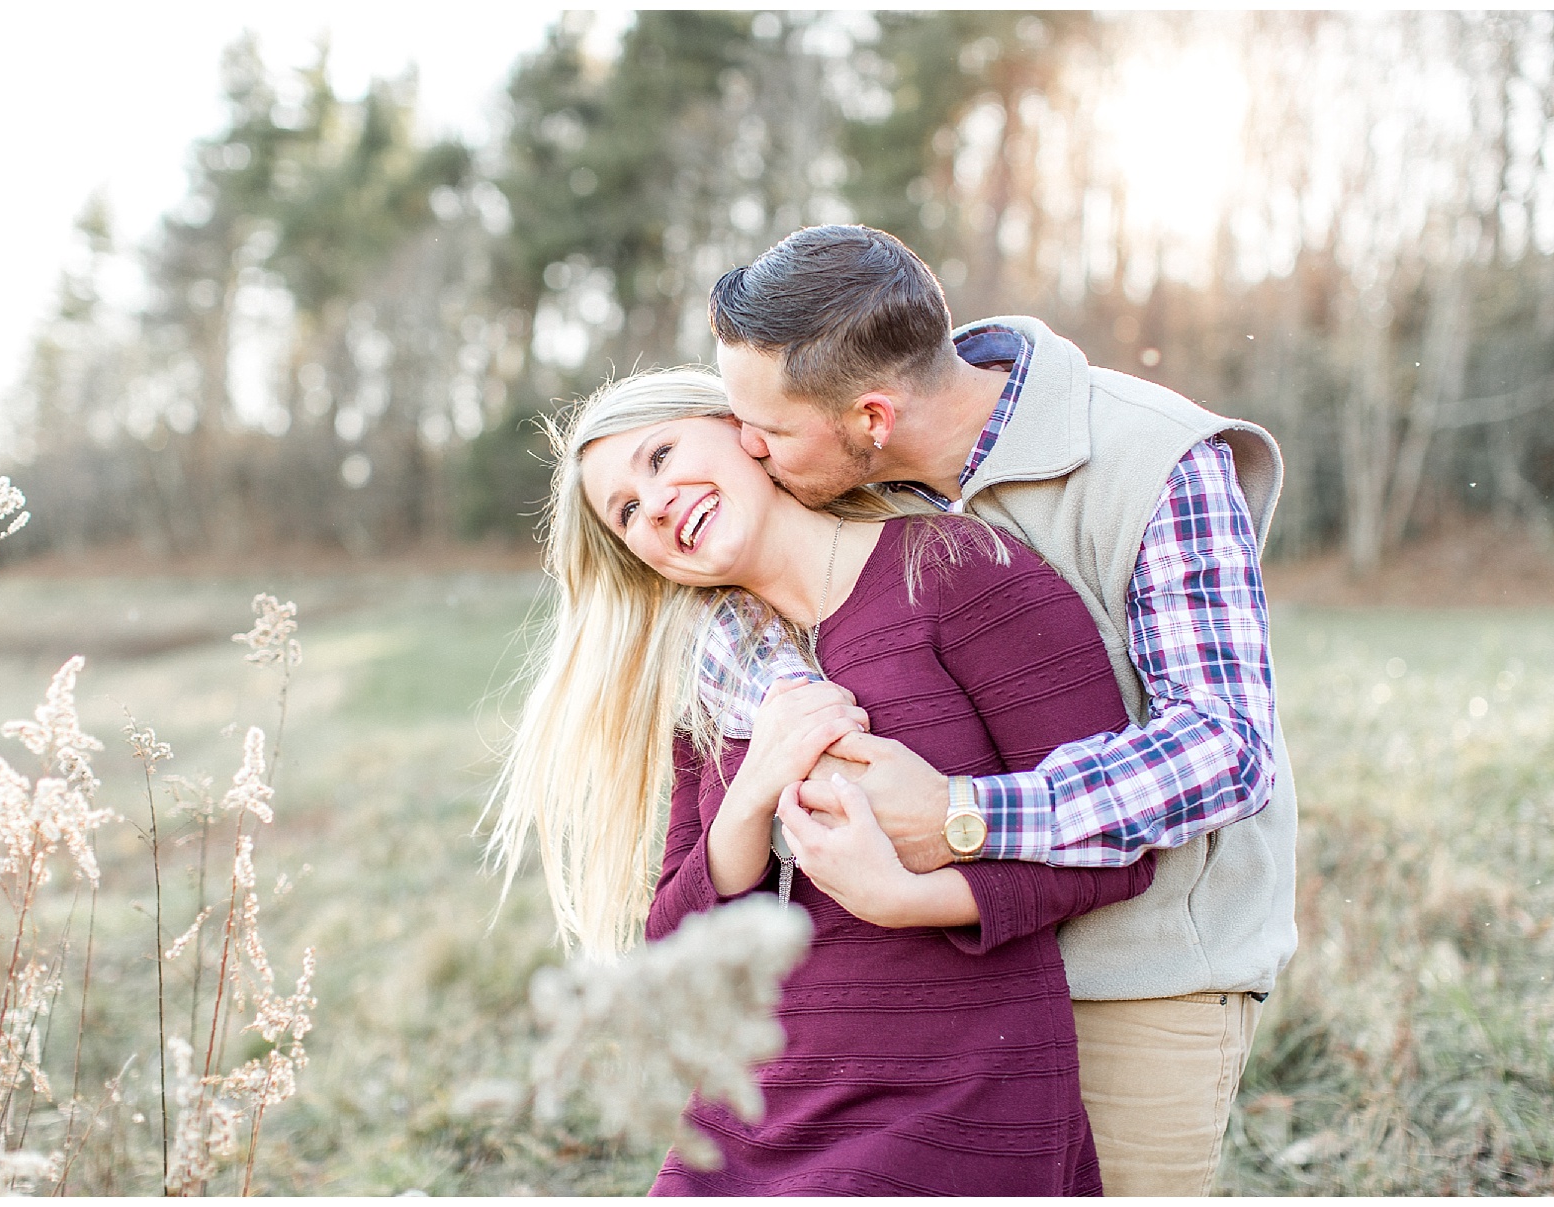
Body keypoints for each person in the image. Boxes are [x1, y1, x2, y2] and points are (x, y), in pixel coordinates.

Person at [705, 224, 1296, 1197]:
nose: (747, 448)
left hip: (1134, 976)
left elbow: (1227, 746)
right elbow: (726, 611)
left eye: (765, 426)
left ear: (873, 416)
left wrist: (963, 817)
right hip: (936, 984)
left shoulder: (1152, 459)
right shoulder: (847, 484)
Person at [483, 368, 1157, 1196]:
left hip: (954, 1099)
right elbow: (674, 940)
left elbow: (1118, 847)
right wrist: (752, 790)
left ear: (743, 428)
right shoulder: (712, 675)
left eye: (660, 457)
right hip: (756, 1107)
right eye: (624, 512)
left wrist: (911, 897)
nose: (653, 505)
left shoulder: (956, 568)